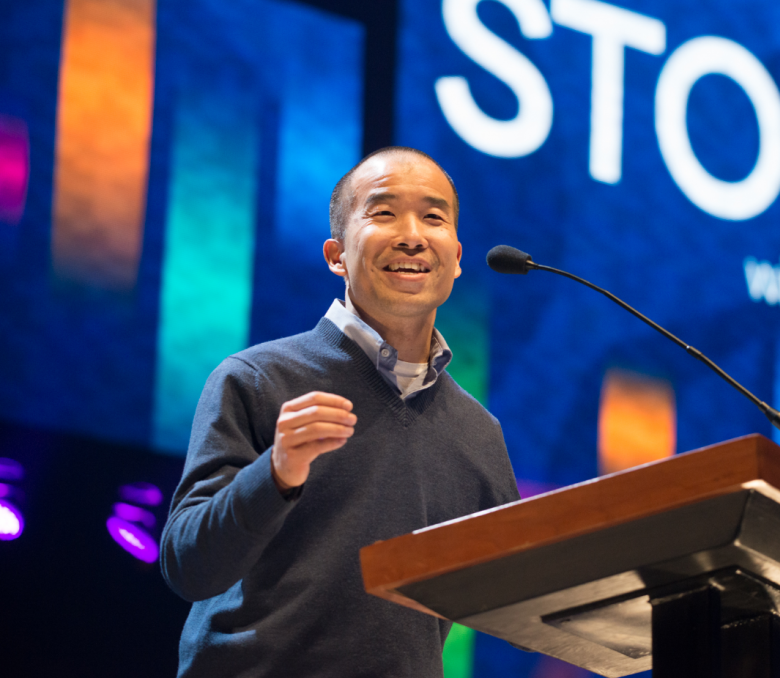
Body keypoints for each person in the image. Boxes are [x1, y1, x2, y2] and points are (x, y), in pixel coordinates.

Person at [160, 147, 520, 677]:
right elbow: (189, 567)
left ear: (457, 257)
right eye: (384, 212)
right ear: (337, 255)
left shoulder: (478, 432)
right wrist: (276, 474)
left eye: (433, 217)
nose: (413, 236)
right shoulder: (256, 379)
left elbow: (513, 596)